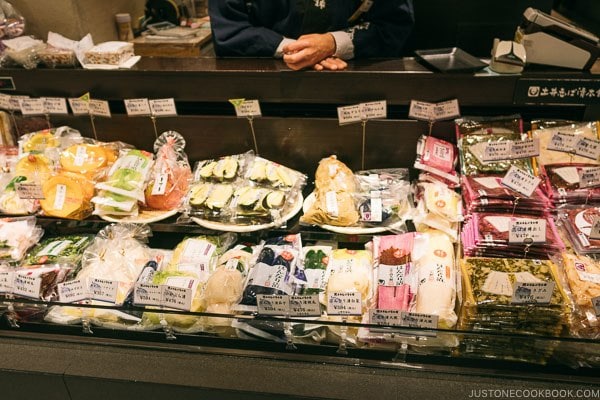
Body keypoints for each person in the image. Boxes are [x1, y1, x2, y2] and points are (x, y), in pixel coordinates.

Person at [208, 0, 414, 71]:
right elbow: (230, 29)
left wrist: (333, 43)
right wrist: (302, 50)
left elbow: (394, 23)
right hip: (266, 88)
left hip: (356, 85)